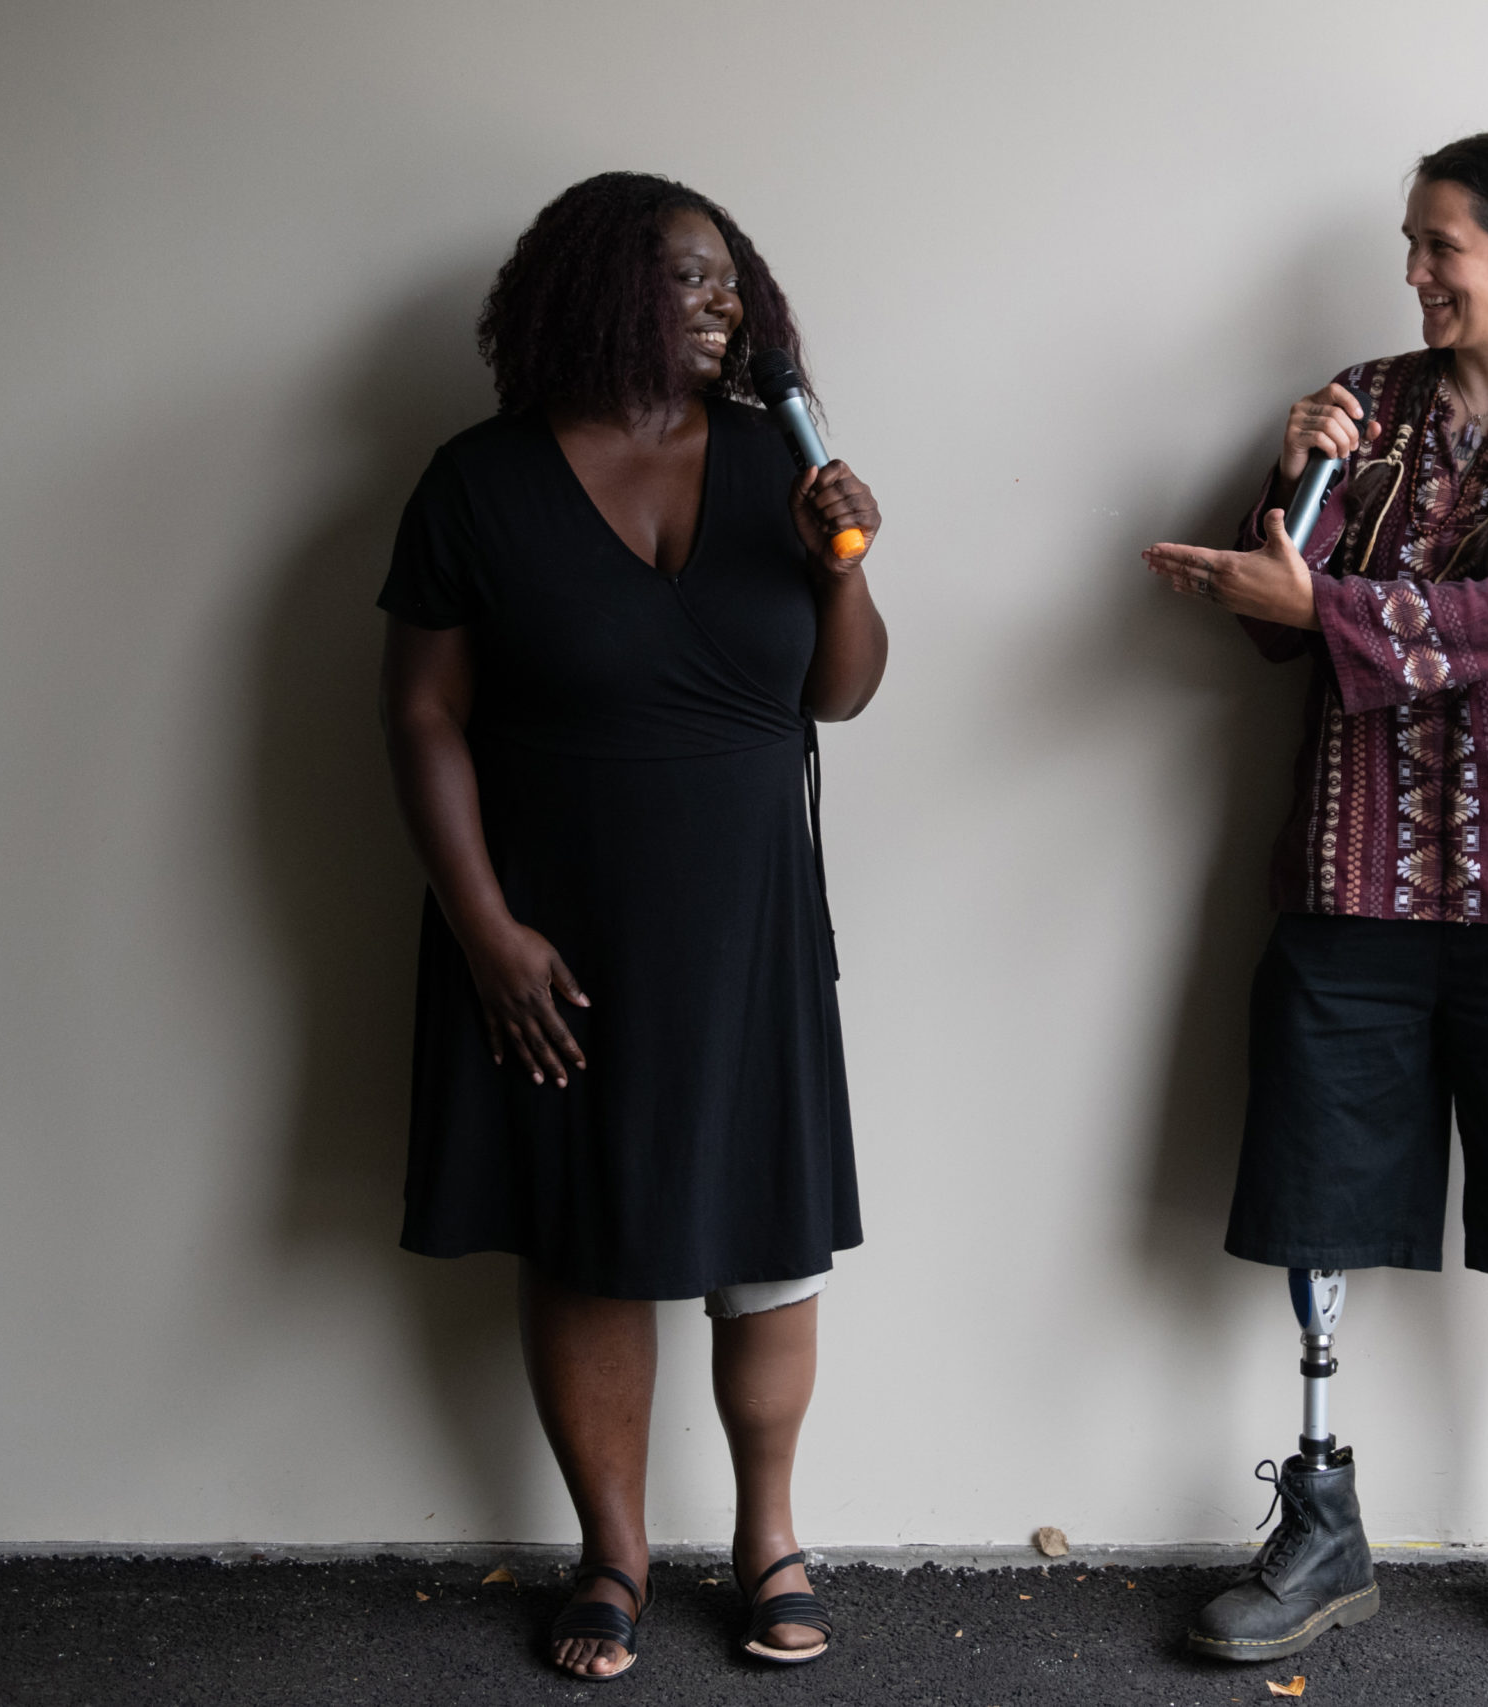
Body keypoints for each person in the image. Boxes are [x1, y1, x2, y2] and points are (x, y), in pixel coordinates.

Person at [1143, 131, 1488, 1675]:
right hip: (1352, 870)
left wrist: (1322, 605)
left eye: (1444, 244)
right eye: (1411, 242)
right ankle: (1320, 1518)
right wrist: (1301, 482)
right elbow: (1268, 629)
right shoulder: (1358, 405)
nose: (1416, 272)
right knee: (1324, 1182)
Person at [376, 172, 887, 1681]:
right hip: (557, 932)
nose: (726, 303)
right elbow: (420, 717)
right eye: (688, 279)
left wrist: (845, 556)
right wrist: (485, 929)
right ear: (596, 292)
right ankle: (613, 1555)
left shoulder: (772, 466)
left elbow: (839, 693)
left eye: (733, 280)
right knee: (588, 1242)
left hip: (749, 925)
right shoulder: (476, 482)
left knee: (769, 1246)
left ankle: (769, 1538)